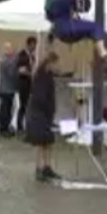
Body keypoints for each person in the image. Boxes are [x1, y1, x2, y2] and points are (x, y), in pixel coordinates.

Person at [26, 51, 62, 182]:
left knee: (48, 141)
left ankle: (47, 167)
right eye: (56, 64)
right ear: (50, 63)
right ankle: (39, 169)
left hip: (46, 114)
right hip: (39, 113)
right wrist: (48, 108)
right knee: (41, 142)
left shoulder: (48, 75)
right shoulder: (41, 76)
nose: (58, 66)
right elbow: (40, 97)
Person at [15, 36, 37, 136]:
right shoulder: (22, 55)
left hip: (29, 83)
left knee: (27, 105)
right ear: (29, 44)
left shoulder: (32, 56)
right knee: (23, 105)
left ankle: (25, 125)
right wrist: (31, 74)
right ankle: (19, 126)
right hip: (23, 84)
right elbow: (20, 71)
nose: (35, 47)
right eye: (33, 45)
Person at [0, 42, 19, 137]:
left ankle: (5, 127)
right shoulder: (6, 61)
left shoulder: (4, 60)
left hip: (5, 88)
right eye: (11, 49)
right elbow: (11, 74)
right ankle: (4, 128)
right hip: (7, 88)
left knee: (7, 108)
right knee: (6, 109)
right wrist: (18, 70)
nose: (12, 51)